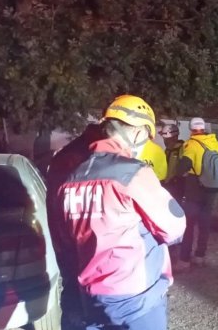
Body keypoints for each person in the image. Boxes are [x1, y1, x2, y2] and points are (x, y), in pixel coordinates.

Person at [55, 95, 186, 330]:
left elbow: (67, 236)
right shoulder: (132, 173)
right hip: (136, 298)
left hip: (90, 295)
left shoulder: (70, 180)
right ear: (137, 134)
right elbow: (174, 227)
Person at [46, 122, 104, 329]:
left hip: (66, 243)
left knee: (72, 298)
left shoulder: (66, 155)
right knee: (84, 303)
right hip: (83, 245)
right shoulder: (90, 159)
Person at [174, 117, 218, 270]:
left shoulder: (191, 145)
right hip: (211, 188)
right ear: (204, 128)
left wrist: (184, 172)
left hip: (194, 188)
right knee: (205, 223)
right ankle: (200, 256)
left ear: (191, 129)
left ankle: (184, 260)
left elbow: (181, 169)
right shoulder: (213, 141)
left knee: (189, 224)